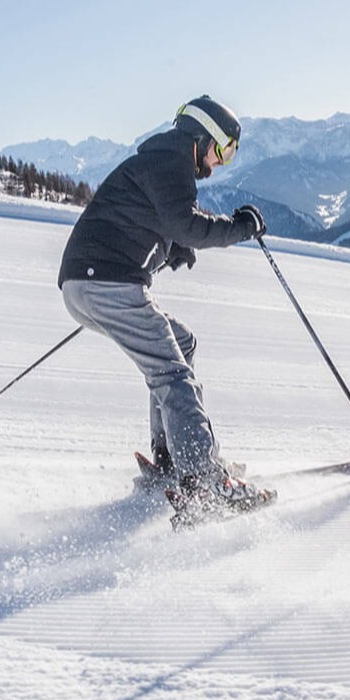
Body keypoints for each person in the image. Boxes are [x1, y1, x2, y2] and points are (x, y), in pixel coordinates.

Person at [57, 95, 271, 513]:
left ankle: (174, 457)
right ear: (202, 138)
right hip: (107, 283)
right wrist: (240, 227)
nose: (220, 162)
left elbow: (145, 219)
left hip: (88, 283)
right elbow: (186, 224)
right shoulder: (171, 163)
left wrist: (169, 250)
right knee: (174, 375)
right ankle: (205, 484)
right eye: (223, 150)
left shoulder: (159, 161)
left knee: (180, 344)